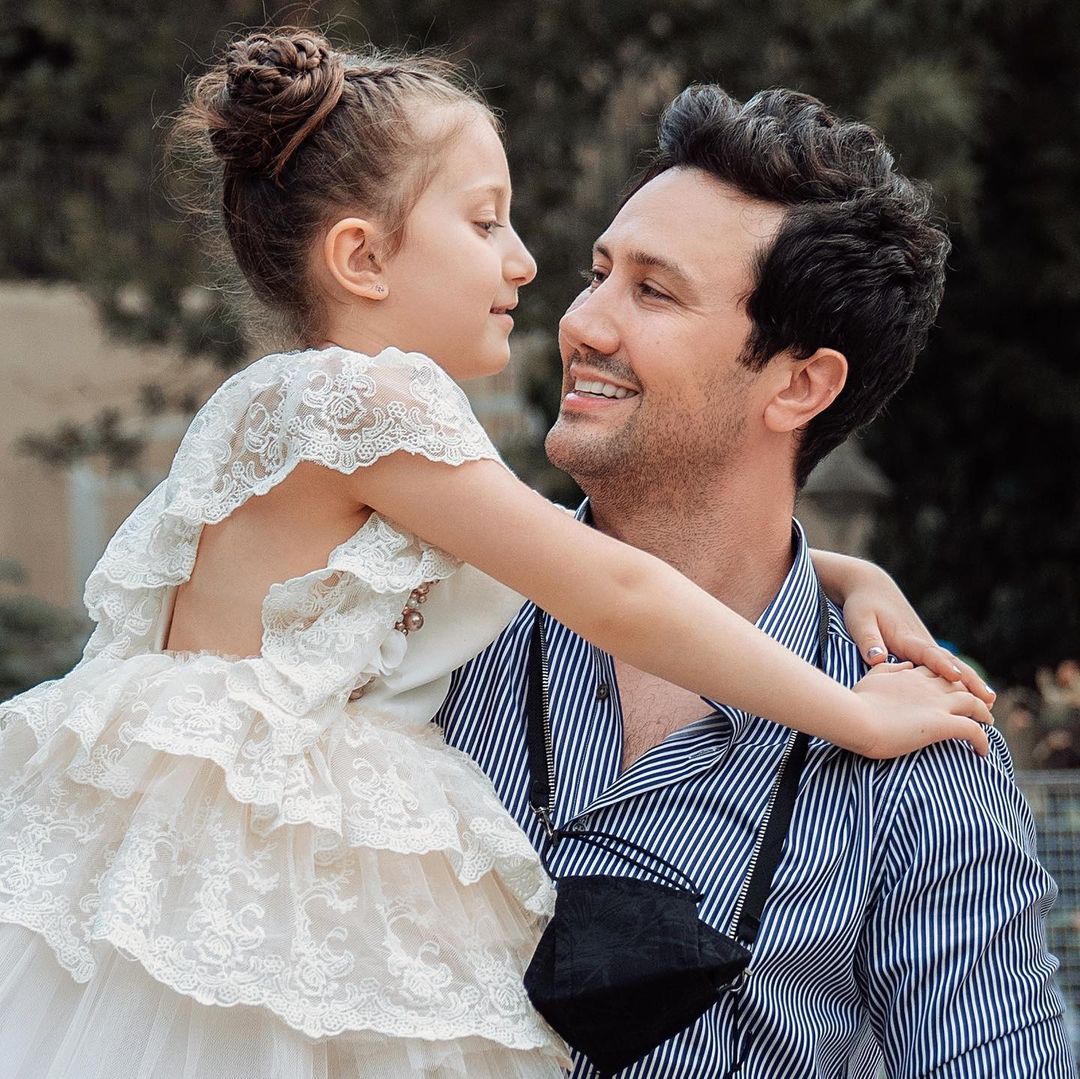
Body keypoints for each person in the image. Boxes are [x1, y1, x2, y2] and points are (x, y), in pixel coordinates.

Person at [0, 30, 995, 1079]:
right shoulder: (374, 403)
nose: (529, 267)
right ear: (362, 258)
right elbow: (610, 587)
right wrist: (851, 713)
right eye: (485, 223)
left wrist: (839, 572)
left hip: (196, 848)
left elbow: (556, 555)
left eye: (653, 290)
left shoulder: (295, 408)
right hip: (265, 858)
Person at [437, 85, 1076, 1076]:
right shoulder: (430, 617)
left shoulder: (923, 755)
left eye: (653, 292)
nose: (582, 324)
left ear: (800, 383)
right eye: (599, 274)